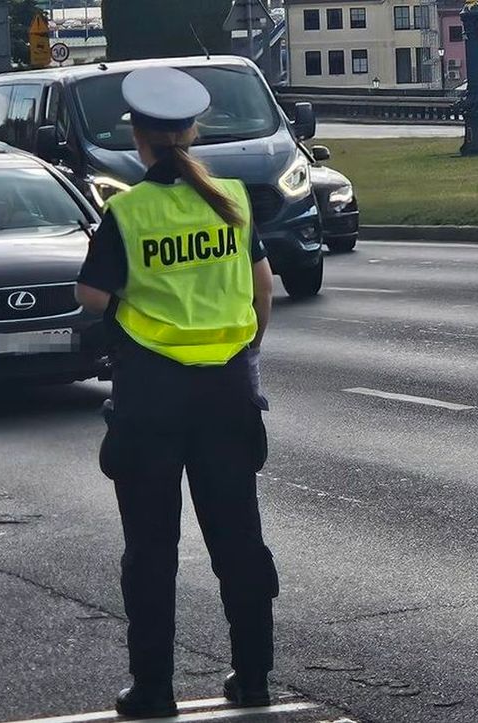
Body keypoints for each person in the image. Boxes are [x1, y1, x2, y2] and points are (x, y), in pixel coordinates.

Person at [74, 66, 278, 719]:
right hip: (226, 391)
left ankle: (154, 689)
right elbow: (263, 289)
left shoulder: (128, 213)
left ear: (137, 136)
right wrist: (242, 349)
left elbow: (91, 296)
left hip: (151, 397)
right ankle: (253, 679)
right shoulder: (233, 200)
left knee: (153, 547)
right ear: (192, 131)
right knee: (239, 541)